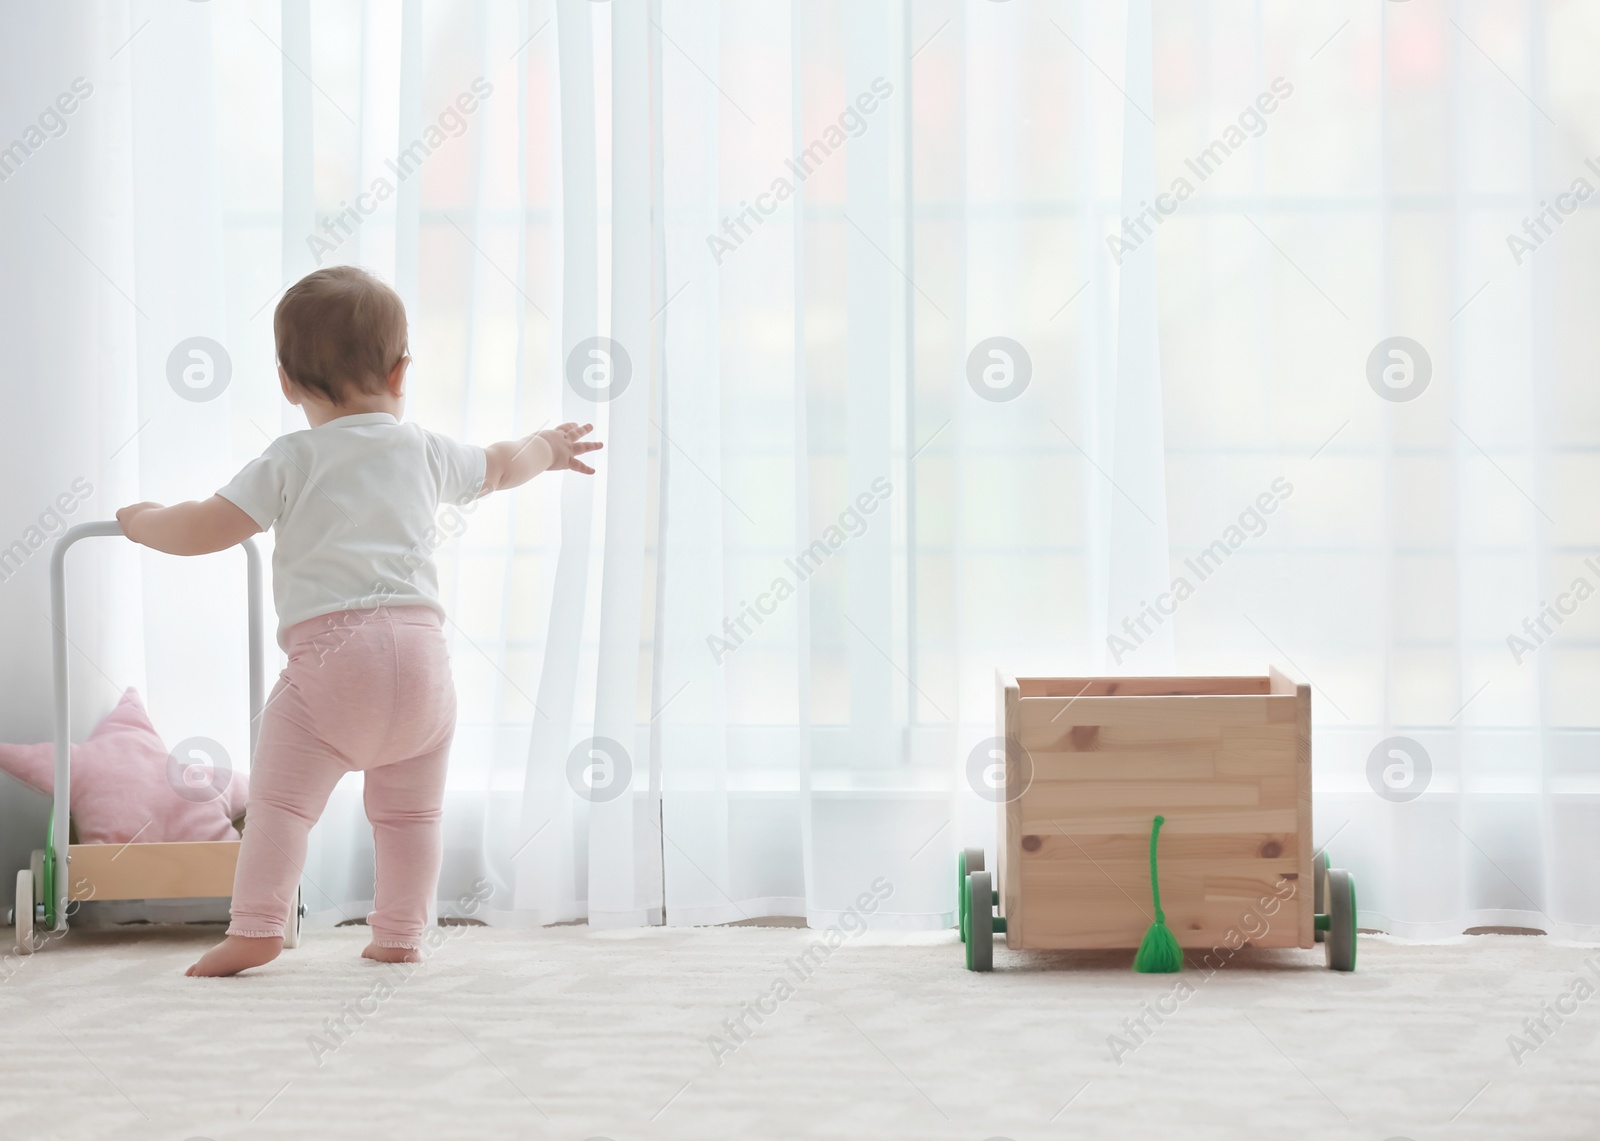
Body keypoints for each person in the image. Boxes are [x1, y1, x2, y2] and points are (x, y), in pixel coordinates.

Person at [117, 266, 601, 976]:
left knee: (281, 805)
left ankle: (256, 926)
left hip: (332, 664)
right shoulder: (426, 449)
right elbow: (501, 465)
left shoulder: (292, 457)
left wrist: (143, 522)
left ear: (286, 382)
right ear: (402, 370)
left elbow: (204, 528)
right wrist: (548, 447)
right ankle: (402, 929)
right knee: (410, 818)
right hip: (424, 664)